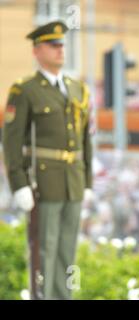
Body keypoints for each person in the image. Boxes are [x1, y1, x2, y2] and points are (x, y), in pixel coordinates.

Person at [2, 21, 93, 299]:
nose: (60, 50)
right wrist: (19, 184)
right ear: (37, 51)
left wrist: (87, 180)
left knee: (68, 250)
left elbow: (85, 139)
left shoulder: (76, 89)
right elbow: (12, 141)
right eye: (53, 46)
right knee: (44, 249)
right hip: (43, 182)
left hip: (73, 181)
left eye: (62, 45)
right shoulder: (25, 90)